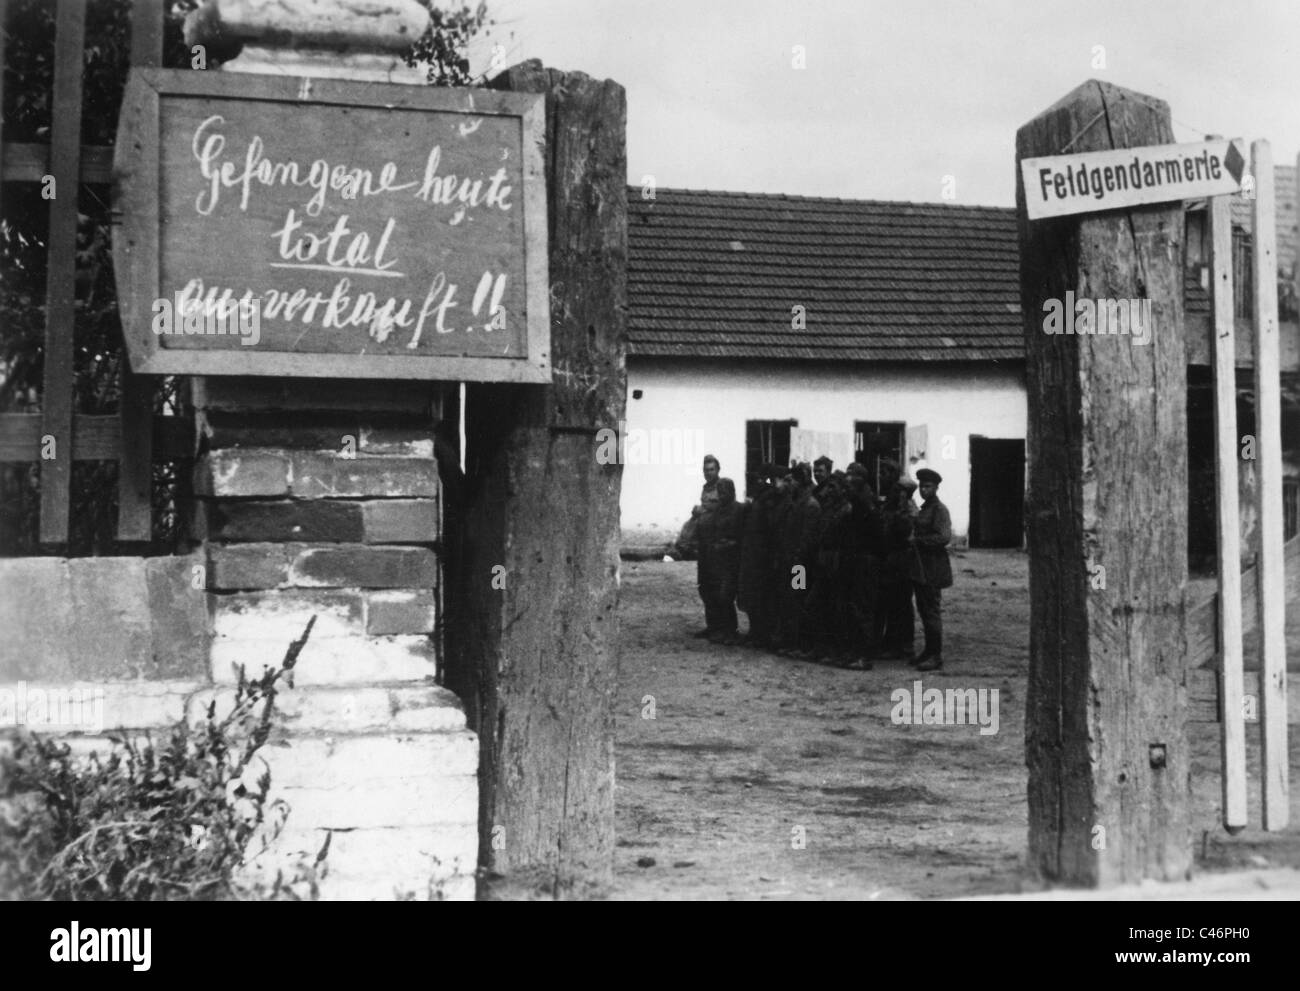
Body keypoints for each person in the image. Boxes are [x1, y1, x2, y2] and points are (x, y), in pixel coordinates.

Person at [908, 468, 953, 671]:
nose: (923, 490)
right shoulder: (925, 508)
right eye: (921, 486)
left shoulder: (939, 510)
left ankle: (935, 655)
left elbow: (943, 537)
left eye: (927, 486)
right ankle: (928, 651)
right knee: (924, 610)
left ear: (936, 488)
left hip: (933, 566)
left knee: (932, 611)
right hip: (921, 566)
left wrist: (918, 540)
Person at [774, 463, 821, 658]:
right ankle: (792, 641)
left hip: (800, 565)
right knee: (790, 600)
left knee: (798, 600)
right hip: (791, 561)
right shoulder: (796, 502)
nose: (789, 483)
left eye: (792, 480)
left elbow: (806, 538)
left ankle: (801, 644)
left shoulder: (810, 504)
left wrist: (796, 560)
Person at [737, 464, 782, 648]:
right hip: (760, 557)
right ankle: (758, 633)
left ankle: (780, 638)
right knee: (754, 596)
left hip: (796, 564)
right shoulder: (761, 500)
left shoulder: (771, 501)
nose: (759, 481)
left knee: (795, 595)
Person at [698, 477, 745, 643]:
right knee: (714, 594)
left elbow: (743, 535)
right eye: (720, 491)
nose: (722, 495)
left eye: (725, 491)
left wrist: (729, 543)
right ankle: (718, 628)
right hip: (717, 560)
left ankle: (731, 631)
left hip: (732, 560)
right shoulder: (718, 510)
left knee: (726, 596)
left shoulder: (740, 510)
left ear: (732, 491)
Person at [688, 455, 723, 637]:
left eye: (711, 469)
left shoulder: (722, 487)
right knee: (705, 587)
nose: (708, 473)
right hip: (704, 544)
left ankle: (723, 628)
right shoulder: (706, 488)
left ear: (718, 470)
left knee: (717, 587)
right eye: (706, 470)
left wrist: (705, 510)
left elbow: (722, 510)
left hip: (716, 544)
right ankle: (712, 626)